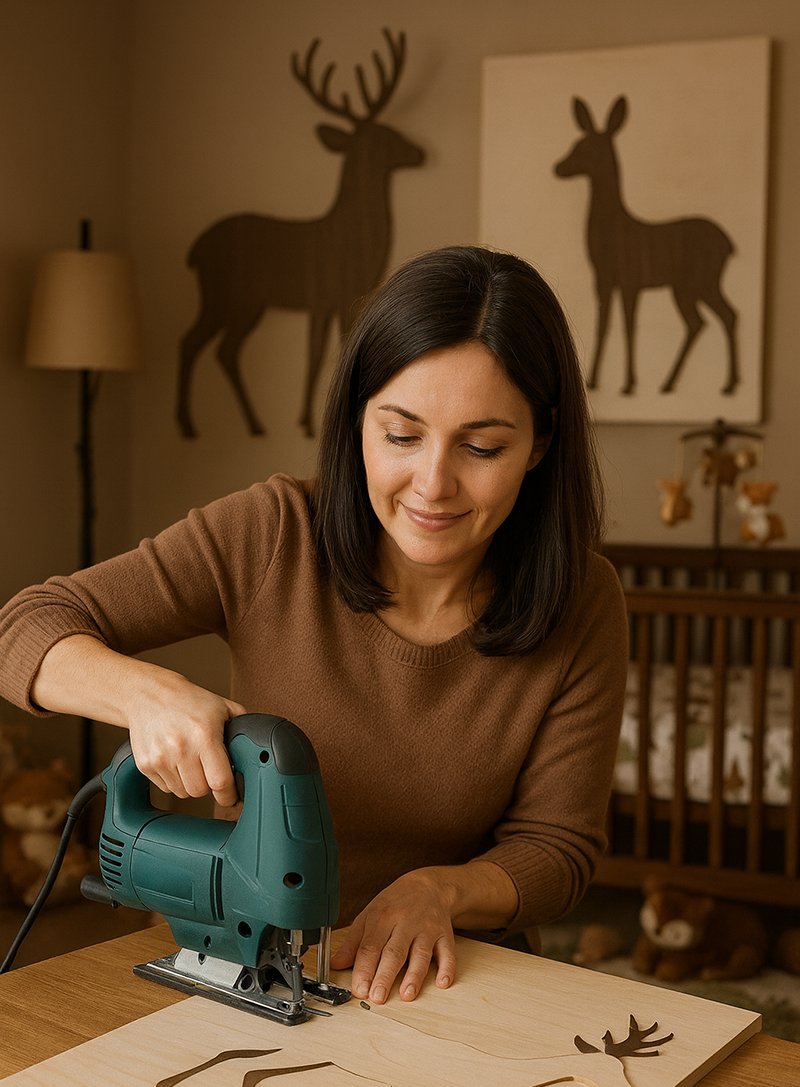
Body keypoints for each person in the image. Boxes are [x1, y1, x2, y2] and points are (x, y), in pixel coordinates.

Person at [0, 245, 627, 1007]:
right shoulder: (272, 533)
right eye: (400, 435)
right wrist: (145, 695)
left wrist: (442, 892)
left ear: (540, 444)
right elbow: (25, 627)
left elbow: (558, 849)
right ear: (356, 421)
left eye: (482, 446)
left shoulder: (583, 599)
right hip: (246, 960)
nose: (433, 483)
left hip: (455, 978)